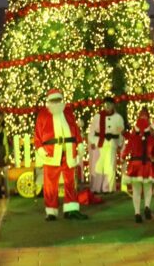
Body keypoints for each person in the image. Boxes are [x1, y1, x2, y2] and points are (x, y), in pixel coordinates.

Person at [33, 89, 87, 220]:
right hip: (51, 154)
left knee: (70, 182)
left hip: (68, 152)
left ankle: (71, 209)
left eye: (58, 100)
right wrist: (41, 150)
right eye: (53, 100)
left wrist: (79, 145)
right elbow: (37, 136)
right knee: (50, 184)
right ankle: (51, 211)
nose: (56, 103)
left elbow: (75, 130)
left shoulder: (68, 112)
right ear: (49, 101)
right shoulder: (43, 115)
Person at [122, 107, 154, 223]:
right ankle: (147, 206)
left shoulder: (133, 137)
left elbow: (126, 151)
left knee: (136, 190)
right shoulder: (151, 138)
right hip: (146, 165)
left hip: (135, 165)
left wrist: (123, 157)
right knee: (148, 189)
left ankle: (137, 213)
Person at [86, 96, 125, 194]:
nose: (107, 106)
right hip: (100, 143)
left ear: (113, 105)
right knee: (98, 165)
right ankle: (96, 187)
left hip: (111, 143)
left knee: (110, 166)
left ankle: (107, 188)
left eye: (110, 104)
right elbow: (92, 131)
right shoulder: (98, 116)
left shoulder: (118, 117)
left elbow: (120, 132)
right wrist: (93, 142)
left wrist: (120, 143)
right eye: (106, 104)